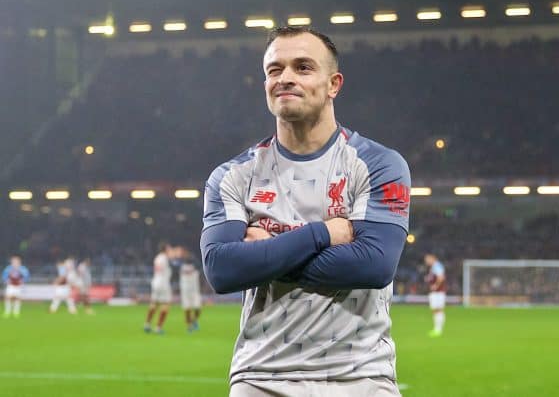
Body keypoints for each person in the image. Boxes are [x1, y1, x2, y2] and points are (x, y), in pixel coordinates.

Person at [201, 26, 411, 397]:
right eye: (274, 69)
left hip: (361, 376)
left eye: (302, 67)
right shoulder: (232, 176)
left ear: (334, 84)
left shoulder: (378, 164)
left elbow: (373, 265)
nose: (285, 78)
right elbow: (222, 270)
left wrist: (265, 256)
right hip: (261, 377)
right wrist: (323, 234)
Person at [144, 242, 176, 334]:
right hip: (163, 283)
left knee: (154, 303)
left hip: (155, 282)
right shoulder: (166, 258)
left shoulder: (157, 257)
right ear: (165, 249)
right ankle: (158, 327)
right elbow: (175, 263)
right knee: (166, 305)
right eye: (169, 248)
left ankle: (147, 324)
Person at [178, 247, 202, 332]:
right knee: (187, 309)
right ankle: (189, 326)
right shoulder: (180, 264)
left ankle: (193, 321)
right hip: (185, 290)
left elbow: (200, 269)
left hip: (194, 290)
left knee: (198, 309)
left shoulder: (195, 264)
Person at [424, 253, 446, 337]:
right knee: (436, 310)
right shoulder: (434, 267)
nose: (426, 261)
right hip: (437, 292)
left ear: (432, 258)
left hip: (438, 292)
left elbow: (441, 277)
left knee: (438, 310)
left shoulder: (437, 266)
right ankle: (437, 328)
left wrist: (435, 285)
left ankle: (438, 329)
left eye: (427, 259)